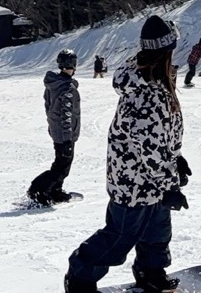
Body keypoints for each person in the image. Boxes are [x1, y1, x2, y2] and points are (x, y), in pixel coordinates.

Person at [63, 15, 192, 293]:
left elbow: (164, 134)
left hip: (154, 179)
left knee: (157, 230)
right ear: (165, 51)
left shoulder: (158, 81)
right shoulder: (144, 93)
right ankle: (80, 276)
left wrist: (177, 157)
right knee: (119, 236)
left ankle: (150, 270)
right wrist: (169, 184)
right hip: (132, 181)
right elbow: (149, 149)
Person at [28, 49, 81, 205]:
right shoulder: (67, 89)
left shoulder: (53, 85)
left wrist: (53, 125)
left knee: (61, 162)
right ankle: (38, 189)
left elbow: (48, 106)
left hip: (57, 131)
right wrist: (67, 138)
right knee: (62, 167)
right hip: (64, 134)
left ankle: (55, 190)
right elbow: (67, 115)